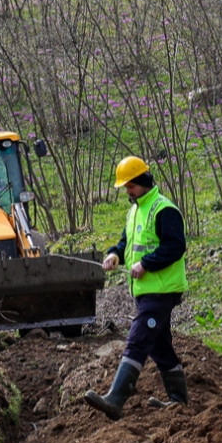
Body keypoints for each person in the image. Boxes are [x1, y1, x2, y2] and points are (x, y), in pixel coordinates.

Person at [84, 156, 189, 419]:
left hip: (161, 290)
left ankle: (116, 399)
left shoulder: (163, 209)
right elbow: (126, 243)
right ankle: (178, 401)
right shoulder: (135, 211)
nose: (127, 192)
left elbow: (176, 246)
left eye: (130, 186)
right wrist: (114, 255)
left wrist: (146, 264)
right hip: (145, 291)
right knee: (159, 345)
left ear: (142, 181)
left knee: (138, 339)